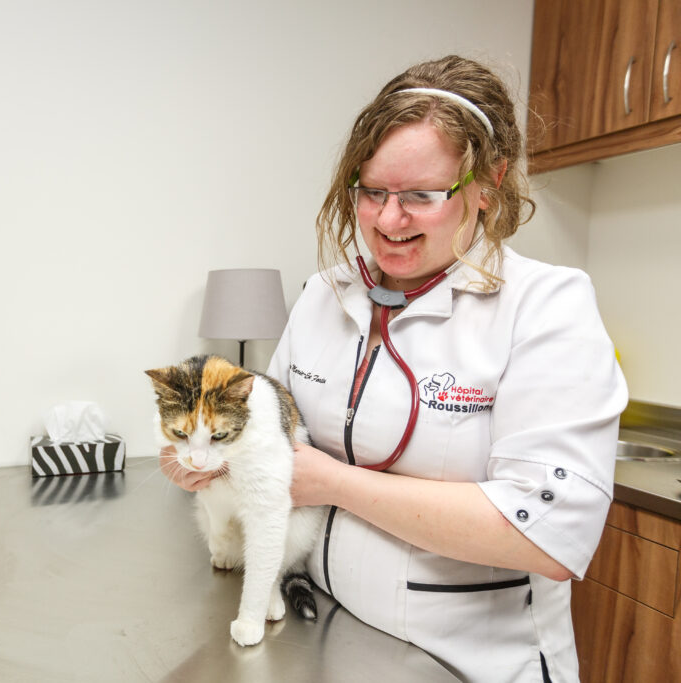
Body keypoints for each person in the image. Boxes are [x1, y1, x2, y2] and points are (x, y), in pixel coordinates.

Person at [160, 55, 627, 682]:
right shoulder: (324, 295)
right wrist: (210, 462)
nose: (387, 220)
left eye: (420, 196)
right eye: (372, 191)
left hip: (466, 663)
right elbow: (265, 438)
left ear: (489, 185)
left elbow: (546, 535)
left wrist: (333, 483)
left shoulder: (543, 307)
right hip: (324, 633)